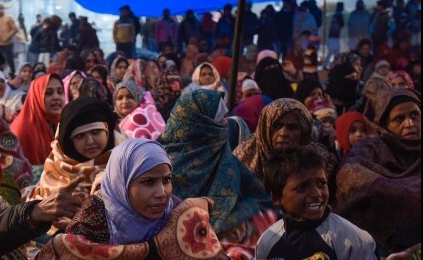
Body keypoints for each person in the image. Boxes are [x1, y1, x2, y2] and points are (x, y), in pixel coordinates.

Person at [256, 146, 377, 260]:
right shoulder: (267, 242)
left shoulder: (355, 240)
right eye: (302, 187)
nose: (316, 194)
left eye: (321, 184)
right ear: (277, 197)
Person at [162, 87, 276, 242]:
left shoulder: (224, 158)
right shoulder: (160, 164)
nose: (225, 124)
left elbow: (262, 200)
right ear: (203, 125)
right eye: (220, 119)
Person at [335, 88, 421, 254]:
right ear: (383, 125)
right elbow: (349, 175)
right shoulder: (370, 149)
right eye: (399, 119)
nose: (409, 124)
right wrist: (398, 189)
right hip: (380, 250)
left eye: (415, 115)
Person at [28, 97, 121, 231]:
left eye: (96, 132)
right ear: (69, 141)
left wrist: (80, 225)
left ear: (107, 131)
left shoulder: (126, 160)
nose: (90, 141)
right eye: (79, 136)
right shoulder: (57, 167)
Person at [66, 138, 177, 245]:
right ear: (121, 183)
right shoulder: (90, 222)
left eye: (166, 180)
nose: (162, 193)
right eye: (148, 182)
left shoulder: (177, 213)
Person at [234, 98, 336, 182]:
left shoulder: (320, 162)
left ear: (304, 132)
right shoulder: (243, 158)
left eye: (292, 127)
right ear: (265, 128)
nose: (283, 134)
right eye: (277, 126)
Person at [10, 73, 65, 166]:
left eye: (60, 92)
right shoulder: (21, 129)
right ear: (37, 96)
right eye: (48, 93)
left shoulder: (62, 122)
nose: (56, 97)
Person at [0, 4, 18, 73]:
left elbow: (15, 29)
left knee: (10, 59)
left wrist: (8, 36)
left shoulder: (8, 18)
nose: (0, 11)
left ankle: (13, 73)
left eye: (2, 9)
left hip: (7, 43)